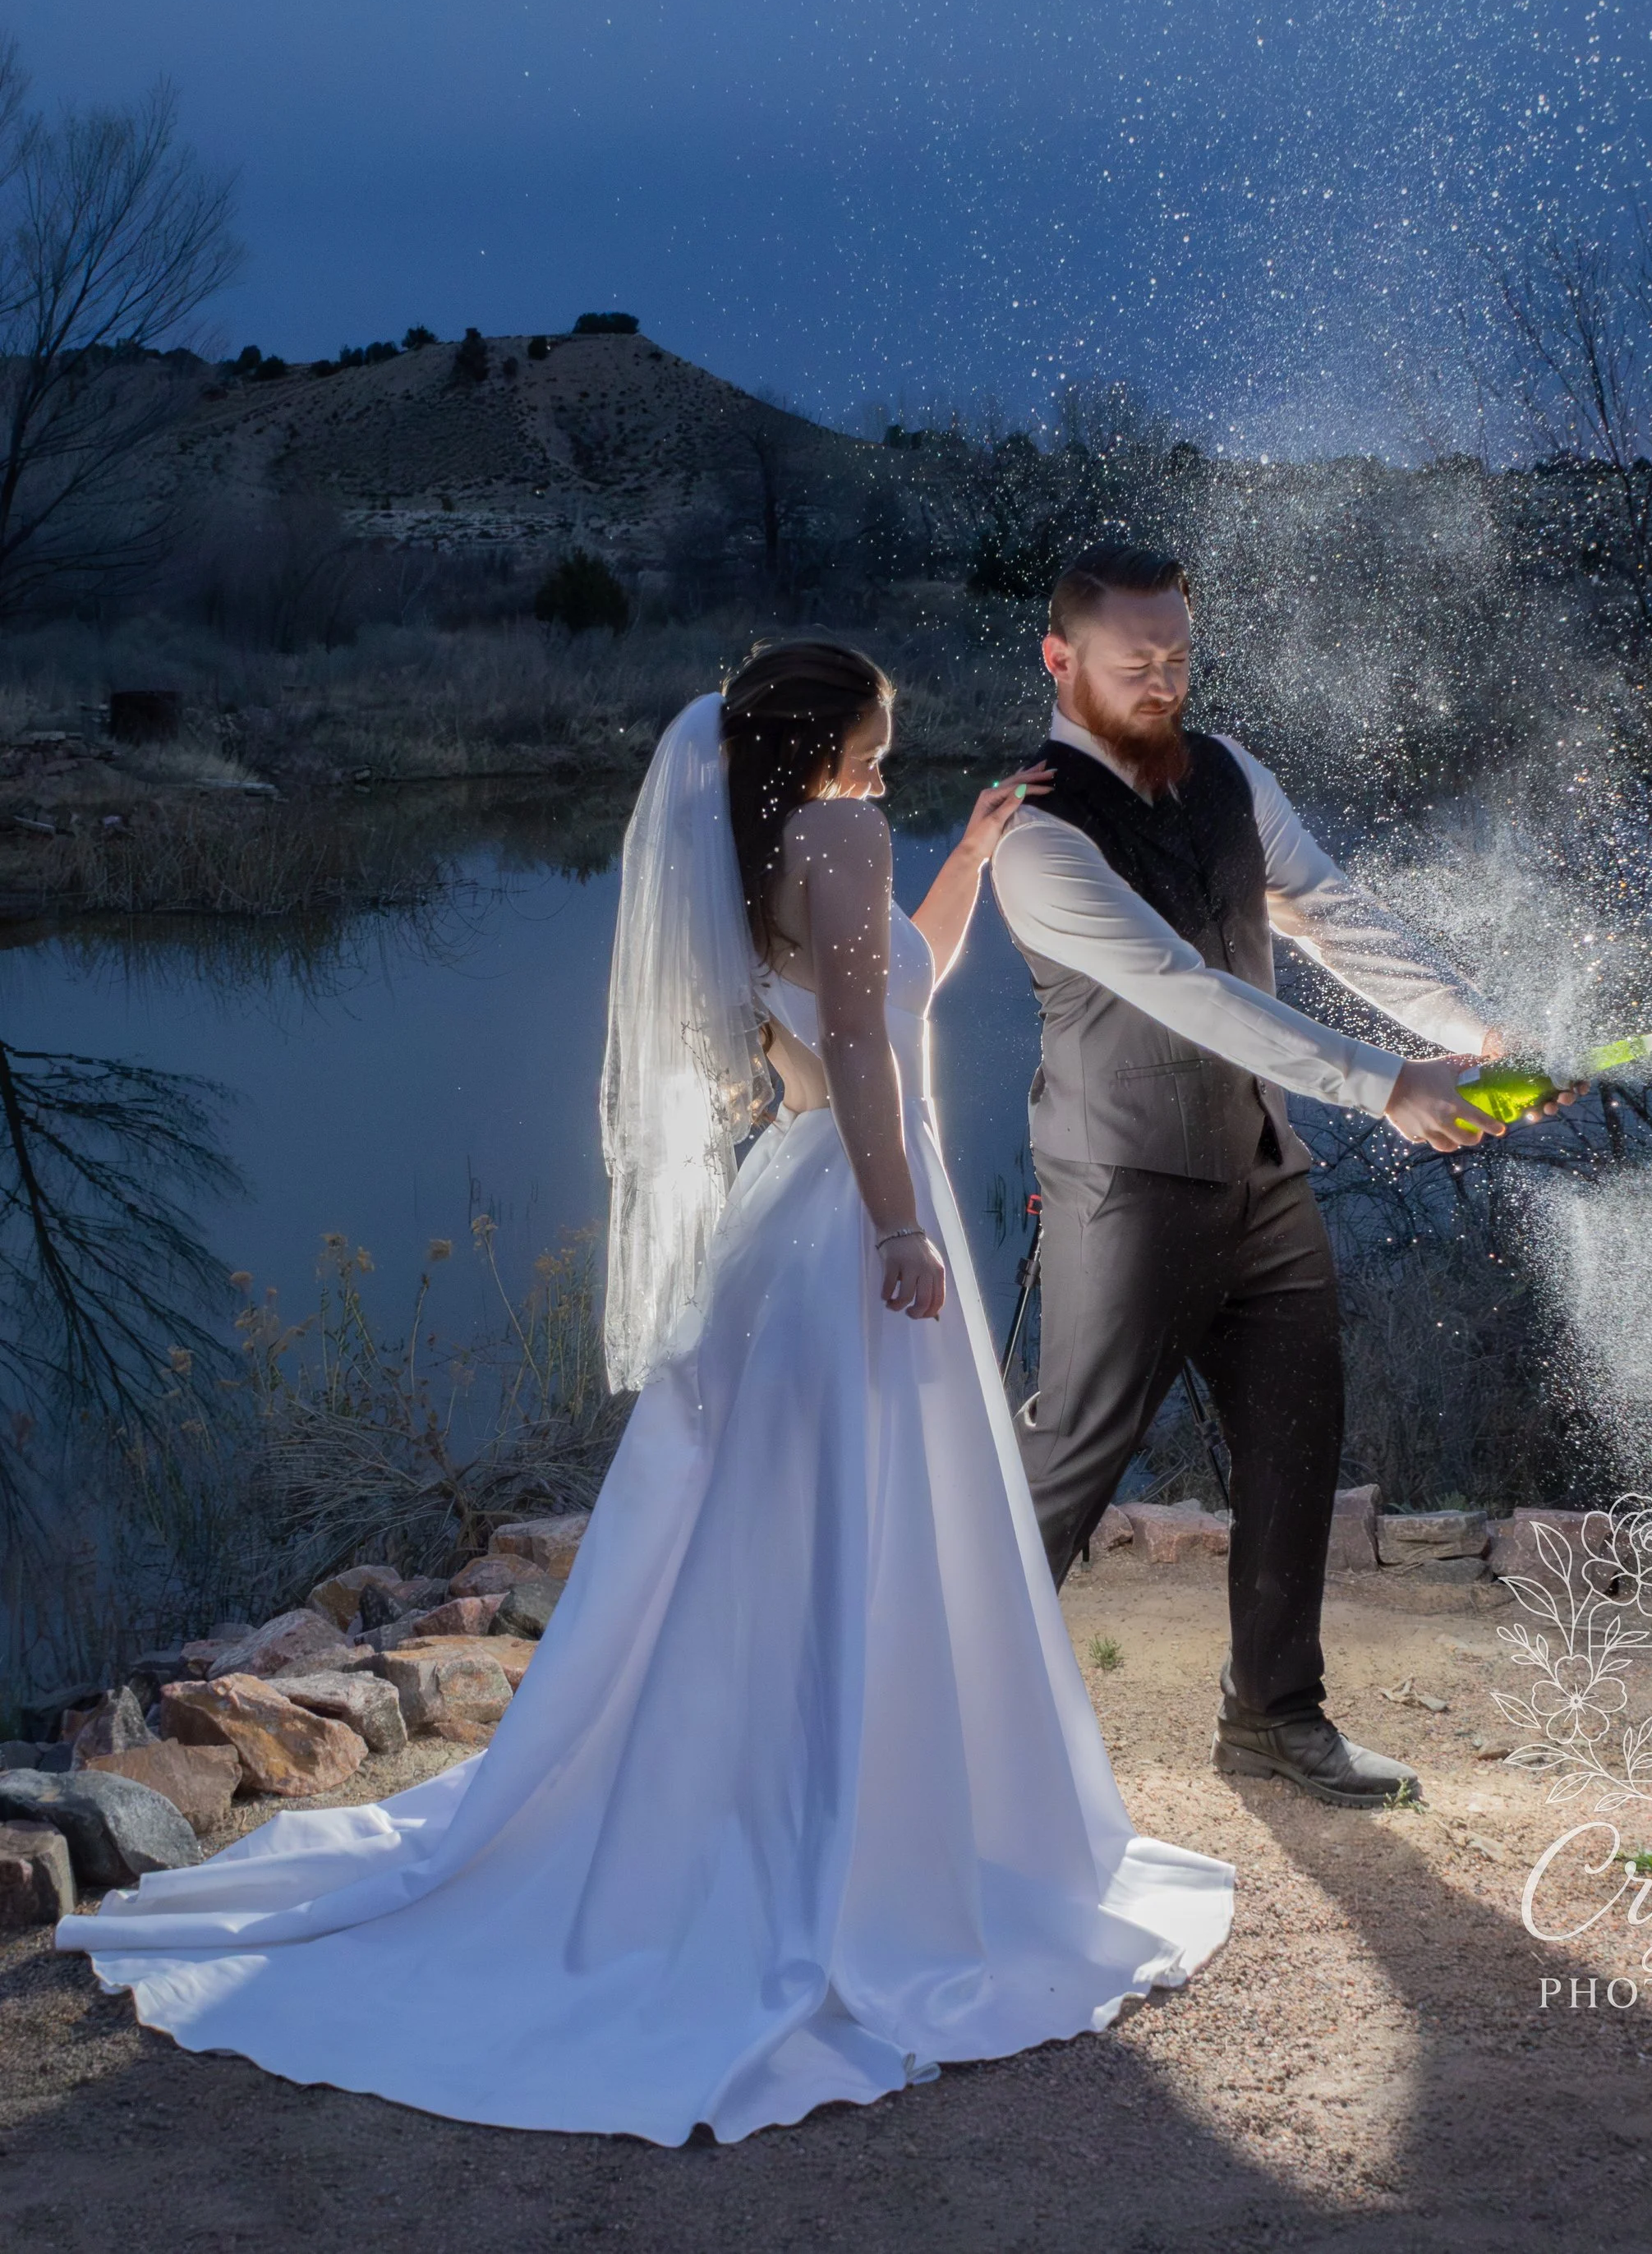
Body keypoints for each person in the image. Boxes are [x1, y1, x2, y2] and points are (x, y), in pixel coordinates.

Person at [56, 642, 1234, 2146]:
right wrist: (901, 1231)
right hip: (855, 1217)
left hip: (787, 1215)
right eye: (878, 738)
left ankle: (757, 1808)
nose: (891, 759)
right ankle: (862, 1847)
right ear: (833, 743)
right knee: (870, 1532)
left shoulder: (754, 852)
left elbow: (877, 999)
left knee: (770, 1541)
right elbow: (869, 1050)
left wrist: (978, 854)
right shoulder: (844, 834)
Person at [990, 544, 1570, 1808]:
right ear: (1059, 660)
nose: (1162, 683)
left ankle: (1273, 1717)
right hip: (1123, 1187)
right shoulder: (1032, 836)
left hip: (1262, 1175)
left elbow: (1331, 914)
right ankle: (942, 1711)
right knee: (1073, 1463)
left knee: (1296, 1445)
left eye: (1179, 659)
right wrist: (1388, 1084)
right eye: (1134, 664)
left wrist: (1476, 1033)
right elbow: (1188, 994)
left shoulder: (1232, 773)